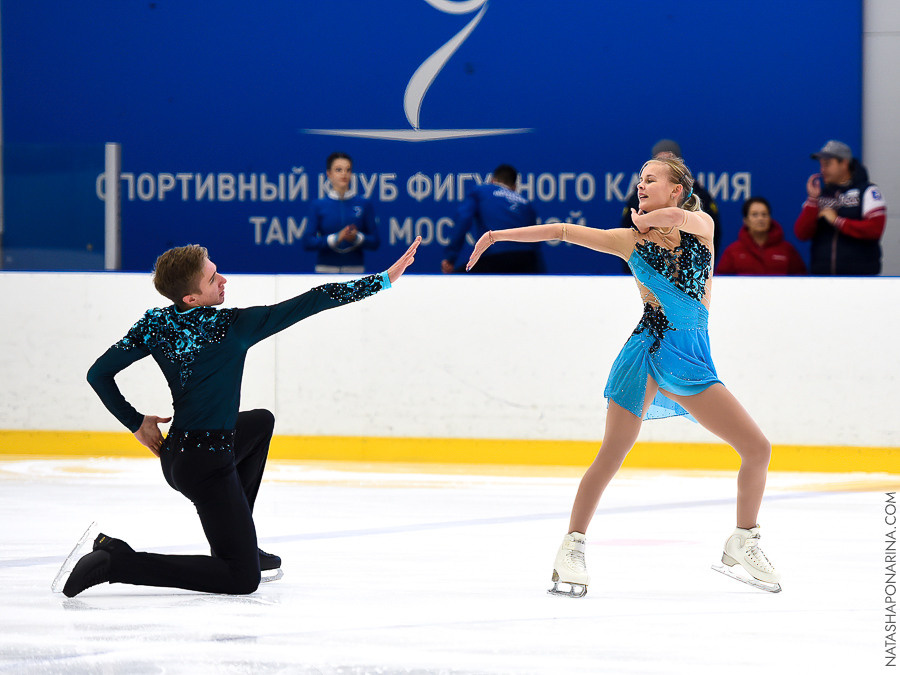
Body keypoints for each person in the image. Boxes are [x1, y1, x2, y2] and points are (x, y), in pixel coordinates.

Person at [467, 156, 780, 597]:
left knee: (757, 448)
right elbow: (561, 231)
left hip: (692, 361)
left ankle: (744, 538)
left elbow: (676, 216)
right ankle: (571, 547)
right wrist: (498, 234)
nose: (641, 186)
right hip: (646, 355)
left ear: (676, 189)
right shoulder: (628, 241)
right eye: (638, 180)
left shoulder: (701, 226)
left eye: (650, 179)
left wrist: (659, 215)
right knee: (611, 455)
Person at [59, 237, 421, 598]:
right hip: (207, 467)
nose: (224, 280)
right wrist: (384, 279)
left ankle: (239, 541)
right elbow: (314, 299)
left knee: (260, 422)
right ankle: (116, 561)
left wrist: (136, 422)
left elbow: (98, 374)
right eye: (213, 278)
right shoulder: (232, 327)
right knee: (241, 579)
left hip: (180, 456)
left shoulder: (155, 324)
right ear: (192, 298)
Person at [794, 140, 887, 275]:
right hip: (823, 280)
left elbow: (875, 229)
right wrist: (812, 200)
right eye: (821, 165)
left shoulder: (868, 191)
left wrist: (838, 221)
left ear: (844, 163)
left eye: (827, 164)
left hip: (860, 280)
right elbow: (801, 234)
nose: (822, 170)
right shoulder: (821, 195)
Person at [620, 139, 722, 261]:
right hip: (648, 268)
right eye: (659, 160)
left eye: (669, 159)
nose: (664, 163)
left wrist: (706, 265)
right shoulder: (638, 197)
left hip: (692, 266)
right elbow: (627, 233)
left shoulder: (700, 195)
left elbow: (712, 233)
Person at [441, 164, 542, 274]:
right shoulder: (526, 203)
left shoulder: (480, 191)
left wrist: (450, 257)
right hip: (528, 261)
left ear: (492, 180)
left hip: (495, 258)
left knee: (453, 284)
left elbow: (463, 219)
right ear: (514, 187)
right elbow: (536, 239)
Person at [303, 152, 381, 273]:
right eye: (338, 170)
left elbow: (375, 241)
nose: (344, 174)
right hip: (325, 271)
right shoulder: (318, 205)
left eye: (348, 170)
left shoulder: (364, 204)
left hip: (355, 271)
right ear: (329, 173)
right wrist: (335, 239)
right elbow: (308, 242)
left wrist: (357, 238)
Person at [716, 196, 806, 275]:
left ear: (770, 218)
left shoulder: (786, 250)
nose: (760, 219)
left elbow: (802, 281)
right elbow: (721, 282)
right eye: (755, 215)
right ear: (746, 220)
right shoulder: (733, 251)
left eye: (764, 214)